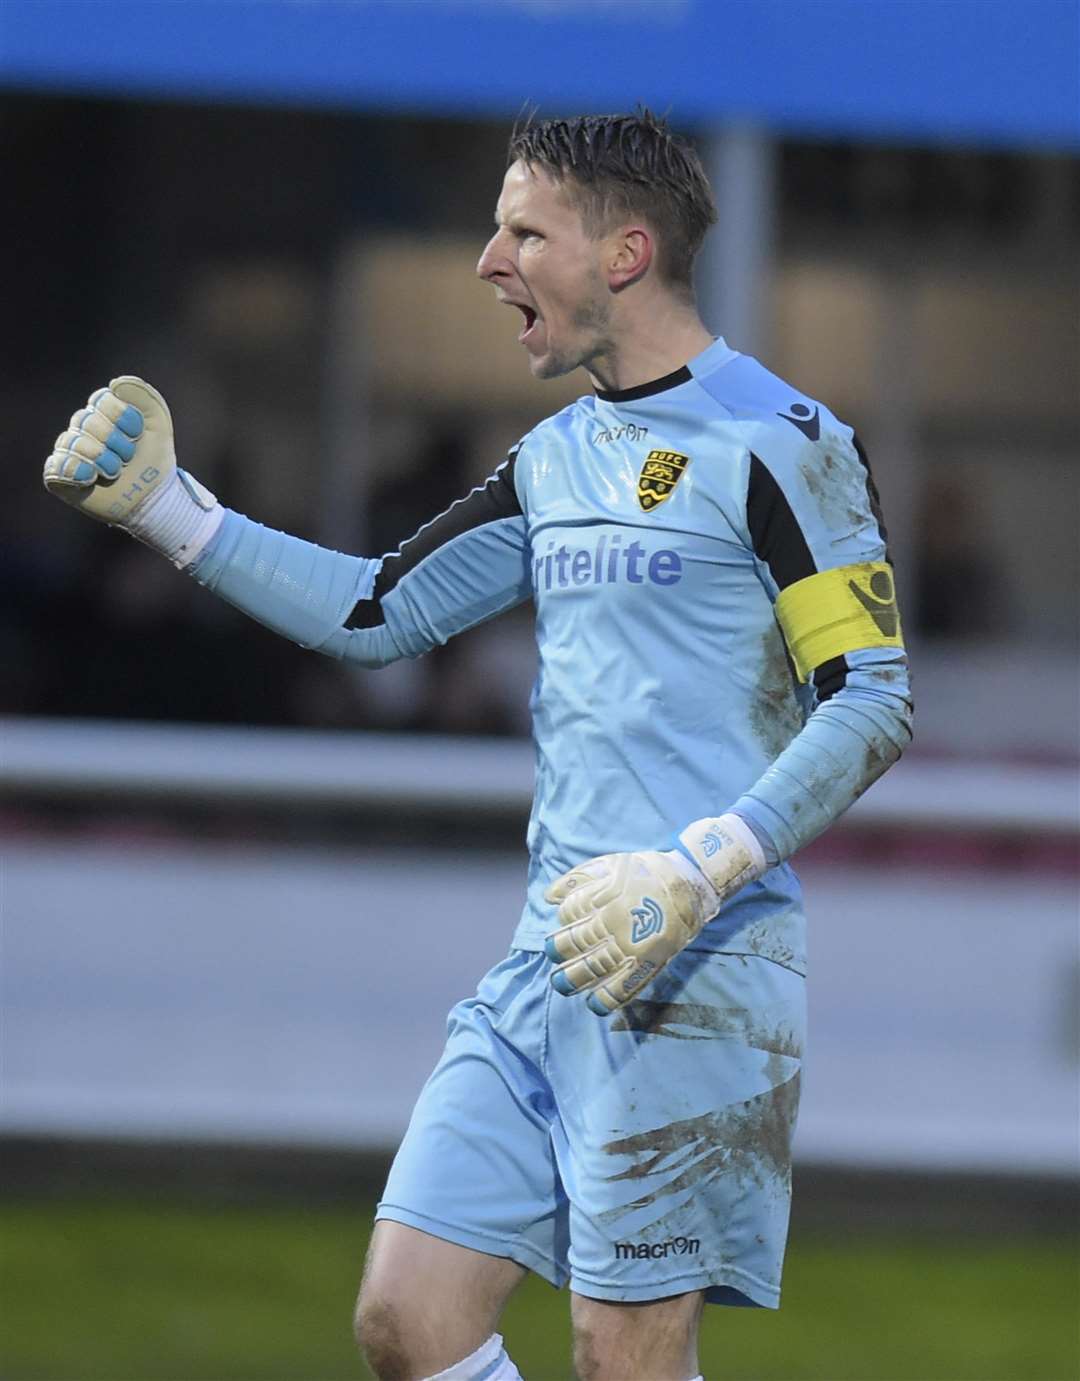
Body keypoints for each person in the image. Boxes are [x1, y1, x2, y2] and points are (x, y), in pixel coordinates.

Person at [43, 111, 913, 1381]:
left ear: (623, 253)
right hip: (545, 966)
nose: (487, 262)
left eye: (522, 232)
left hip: (698, 969)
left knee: (624, 1367)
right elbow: (376, 610)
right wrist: (172, 512)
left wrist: (697, 867)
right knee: (410, 1317)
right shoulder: (554, 458)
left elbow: (872, 698)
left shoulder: (789, 444)